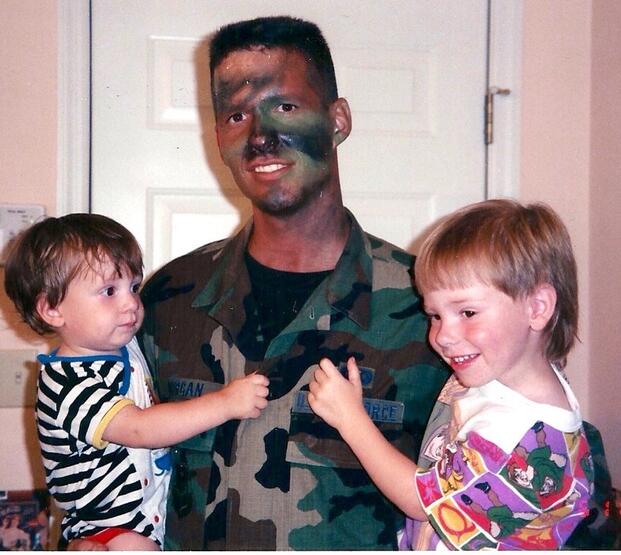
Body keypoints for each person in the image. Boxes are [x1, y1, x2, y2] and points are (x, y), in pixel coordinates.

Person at [138, 15, 449, 550]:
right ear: (218, 138)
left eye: (284, 107)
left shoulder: (430, 312)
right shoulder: (167, 302)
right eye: (237, 115)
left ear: (338, 120)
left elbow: (511, 495)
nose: (260, 138)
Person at [308, 199, 594, 550]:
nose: (443, 336)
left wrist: (350, 418)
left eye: (468, 312)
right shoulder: (508, 375)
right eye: (435, 315)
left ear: (537, 308)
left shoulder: (516, 440)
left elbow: (419, 500)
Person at [3, 214, 269, 550]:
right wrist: (225, 403)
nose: (131, 302)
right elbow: (139, 428)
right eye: (109, 291)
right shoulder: (66, 384)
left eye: (134, 286)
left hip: (144, 521)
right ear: (52, 309)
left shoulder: (124, 346)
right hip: (106, 530)